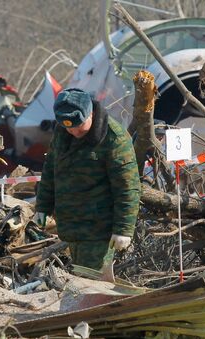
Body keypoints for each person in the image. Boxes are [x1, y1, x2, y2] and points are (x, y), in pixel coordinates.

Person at [35, 88, 140, 270]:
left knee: (91, 284)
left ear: (90, 113)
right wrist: (42, 207)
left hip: (99, 232)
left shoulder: (114, 140)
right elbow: (50, 170)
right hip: (70, 228)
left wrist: (123, 229)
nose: (74, 131)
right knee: (76, 282)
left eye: (78, 125)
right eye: (69, 126)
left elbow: (127, 188)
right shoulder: (62, 133)